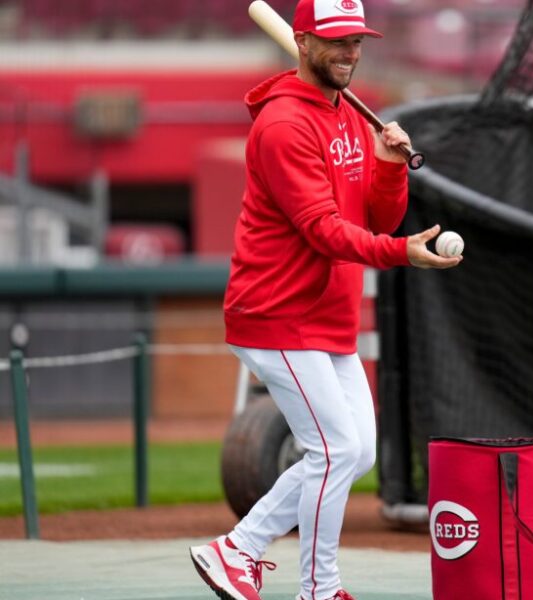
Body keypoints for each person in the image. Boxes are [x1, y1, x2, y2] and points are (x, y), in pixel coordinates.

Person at [189, 1, 461, 599]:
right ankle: (318, 588)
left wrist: (390, 168)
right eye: (336, 41)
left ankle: (237, 549)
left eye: (357, 40)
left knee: (353, 452)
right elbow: (323, 230)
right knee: (335, 449)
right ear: (304, 43)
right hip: (277, 313)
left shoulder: (346, 117)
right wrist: (399, 255)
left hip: (327, 316)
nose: (350, 52)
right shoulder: (285, 125)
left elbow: (376, 215)